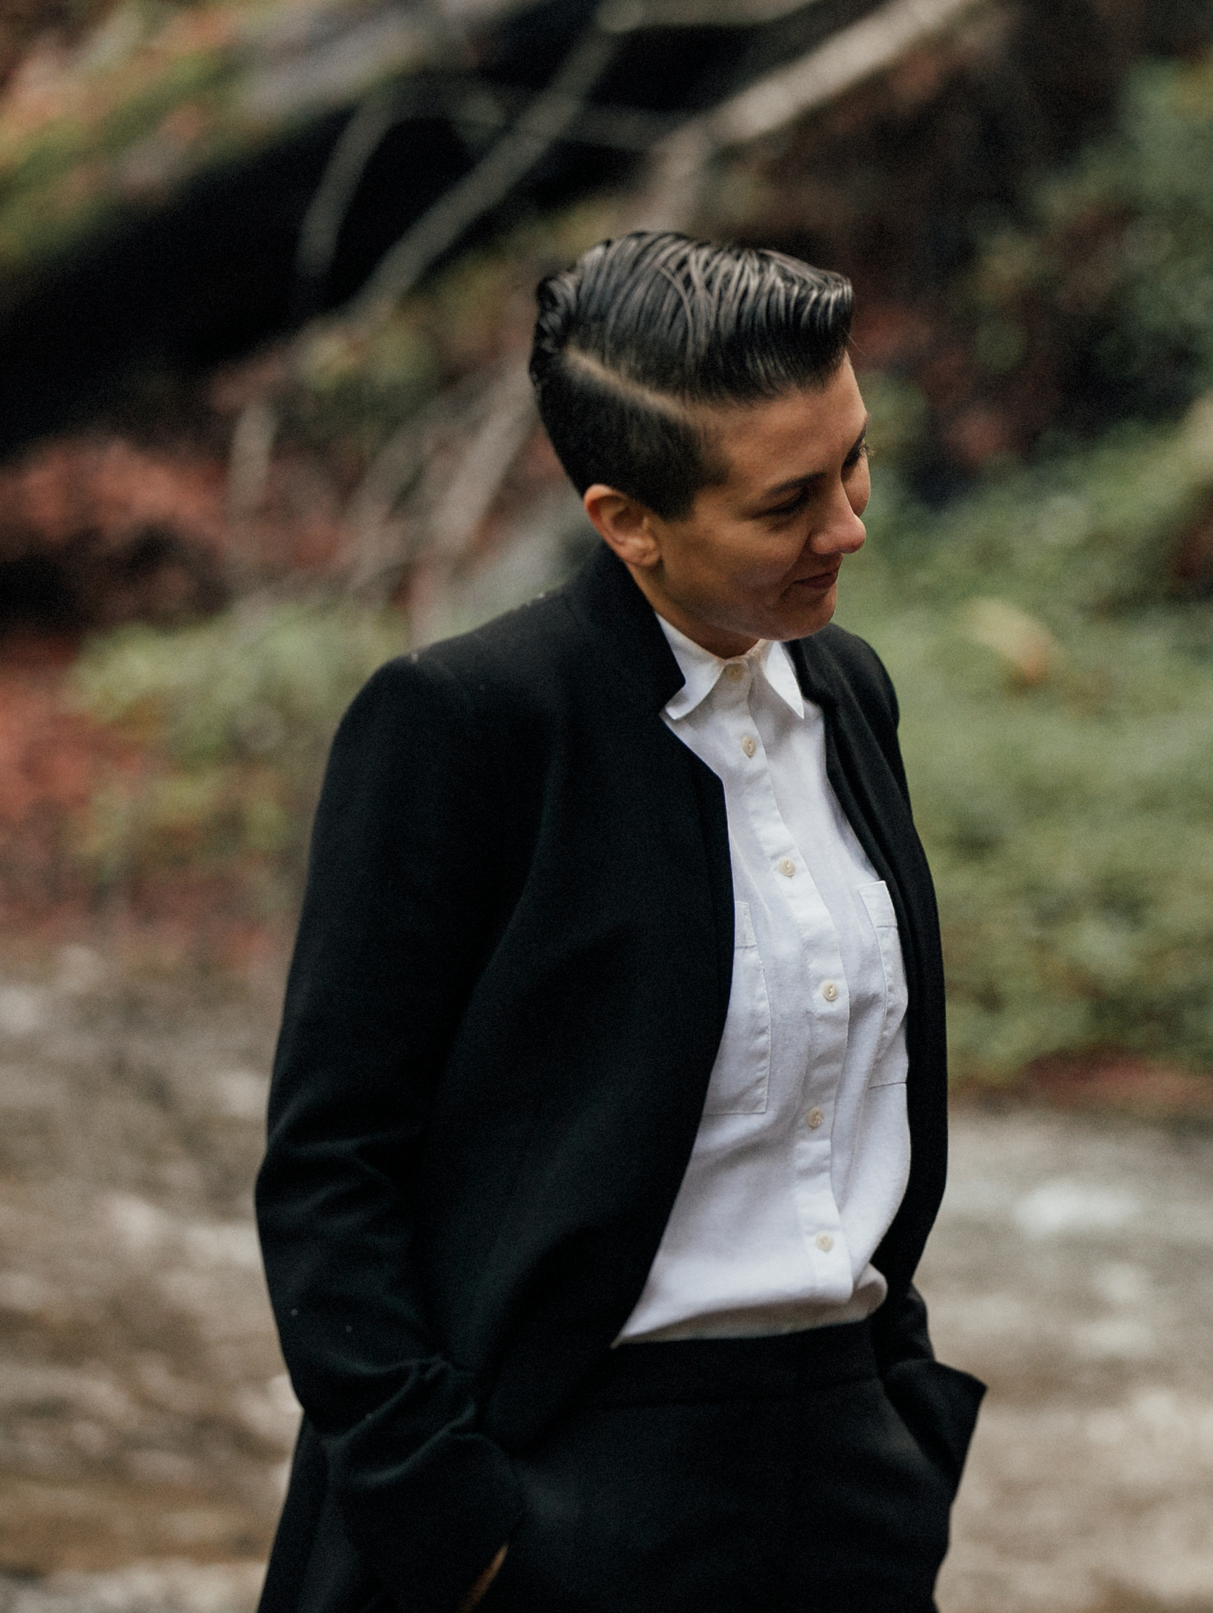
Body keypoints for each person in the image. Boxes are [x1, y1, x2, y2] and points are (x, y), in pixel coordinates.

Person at [255, 232, 983, 1613]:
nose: (850, 527)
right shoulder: (464, 725)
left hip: (848, 1489)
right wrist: (454, 1524)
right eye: (788, 504)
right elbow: (329, 1167)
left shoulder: (850, 695)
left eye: (854, 462)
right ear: (625, 519)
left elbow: (864, 1116)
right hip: (563, 1495)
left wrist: (901, 1420)